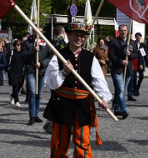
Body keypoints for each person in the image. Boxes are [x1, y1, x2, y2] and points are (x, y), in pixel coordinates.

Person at [43, 22, 111, 158]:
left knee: (83, 141)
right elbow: (50, 82)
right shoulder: (59, 55)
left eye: (81, 36)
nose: (79, 38)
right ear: (68, 35)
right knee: (59, 142)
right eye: (76, 35)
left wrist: (103, 97)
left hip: (82, 104)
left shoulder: (90, 57)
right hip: (61, 103)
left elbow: (99, 81)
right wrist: (64, 72)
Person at [23, 28, 53, 125]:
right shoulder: (27, 43)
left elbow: (50, 57)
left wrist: (42, 64)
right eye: (37, 30)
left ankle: (36, 114)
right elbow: (23, 56)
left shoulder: (45, 43)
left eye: (41, 31)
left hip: (41, 71)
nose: (39, 33)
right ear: (33, 31)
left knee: (39, 94)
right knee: (32, 92)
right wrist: (33, 51)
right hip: (31, 70)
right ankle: (31, 115)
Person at [107, 24, 138, 119]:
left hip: (128, 70)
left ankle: (116, 109)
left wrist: (130, 54)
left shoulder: (132, 42)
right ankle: (124, 110)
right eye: (121, 30)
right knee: (120, 90)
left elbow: (136, 54)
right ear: (119, 31)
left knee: (122, 90)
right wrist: (121, 61)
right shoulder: (113, 42)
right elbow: (111, 55)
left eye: (125, 30)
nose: (123, 32)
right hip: (117, 69)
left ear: (127, 31)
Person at [7, 40, 30, 107]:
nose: (17, 46)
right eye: (15, 45)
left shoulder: (23, 53)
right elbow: (7, 61)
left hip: (20, 72)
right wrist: (7, 69)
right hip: (12, 72)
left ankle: (12, 95)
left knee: (19, 86)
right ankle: (17, 100)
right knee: (15, 85)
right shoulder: (11, 52)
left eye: (18, 45)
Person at [131, 32, 148, 97]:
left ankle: (137, 88)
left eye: (139, 36)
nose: (138, 37)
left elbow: (144, 54)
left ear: (141, 37)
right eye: (137, 36)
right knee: (134, 77)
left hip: (141, 63)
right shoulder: (133, 43)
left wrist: (147, 63)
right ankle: (134, 90)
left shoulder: (142, 44)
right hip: (134, 62)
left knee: (141, 76)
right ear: (135, 37)